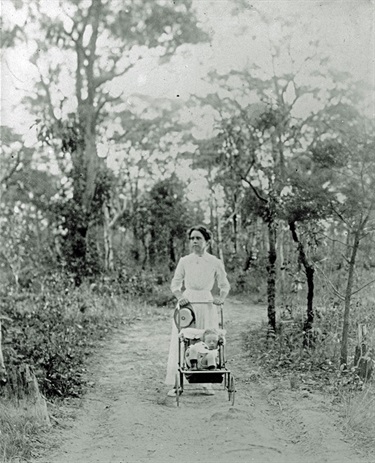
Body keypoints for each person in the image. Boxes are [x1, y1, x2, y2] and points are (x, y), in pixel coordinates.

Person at [165, 225, 230, 396]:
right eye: (192, 238)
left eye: (198, 238)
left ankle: (206, 382)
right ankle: (177, 383)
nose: (194, 241)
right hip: (188, 305)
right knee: (183, 340)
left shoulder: (215, 262)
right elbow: (175, 284)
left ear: (207, 241)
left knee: (207, 340)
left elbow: (224, 285)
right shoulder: (184, 261)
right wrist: (180, 297)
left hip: (206, 304)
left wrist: (221, 297)